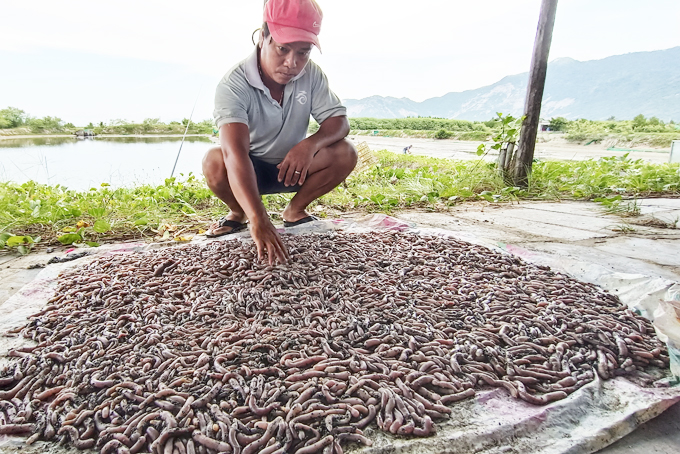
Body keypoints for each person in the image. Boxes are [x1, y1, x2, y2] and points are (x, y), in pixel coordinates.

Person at [202, 0, 357, 265]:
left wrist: (309, 145)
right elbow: (234, 155)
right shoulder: (233, 85)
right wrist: (258, 219)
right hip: (251, 172)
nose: (291, 63)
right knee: (214, 160)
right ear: (263, 37)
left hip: (293, 168)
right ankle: (239, 213)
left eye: (303, 52)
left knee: (346, 151)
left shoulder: (312, 75)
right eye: (283, 49)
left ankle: (295, 211)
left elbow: (339, 122)